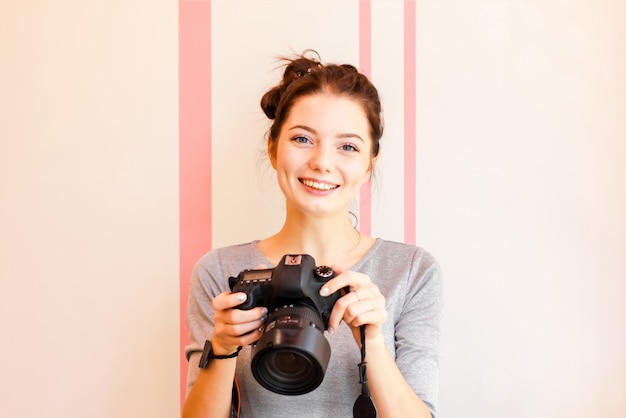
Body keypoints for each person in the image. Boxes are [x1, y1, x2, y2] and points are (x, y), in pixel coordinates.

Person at [183, 51, 443, 418]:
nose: (322, 161)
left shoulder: (412, 271)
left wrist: (372, 342)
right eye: (302, 139)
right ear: (273, 148)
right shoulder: (221, 271)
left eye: (348, 146)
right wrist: (223, 347)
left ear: (370, 163)